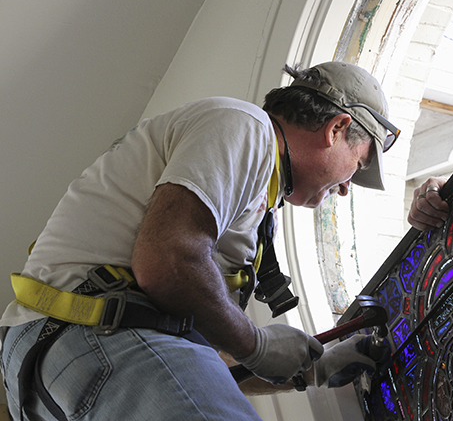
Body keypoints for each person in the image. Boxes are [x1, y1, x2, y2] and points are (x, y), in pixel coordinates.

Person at [0, 61, 400, 420]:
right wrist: (257, 344)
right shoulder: (247, 127)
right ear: (337, 128)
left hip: (60, 365)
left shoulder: (253, 194)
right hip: (95, 336)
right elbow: (167, 262)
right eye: (359, 164)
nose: (348, 188)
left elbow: (199, 353)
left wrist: (314, 370)